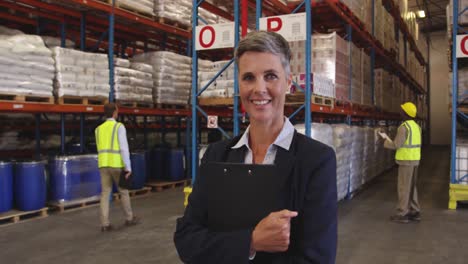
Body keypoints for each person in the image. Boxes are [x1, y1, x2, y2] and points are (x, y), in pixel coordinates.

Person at [174, 31, 337, 263]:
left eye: (270, 76)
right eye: (249, 77)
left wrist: (224, 247)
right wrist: (251, 242)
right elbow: (187, 239)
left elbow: (317, 258)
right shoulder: (216, 155)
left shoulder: (315, 161)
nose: (259, 88)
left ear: (288, 83)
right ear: (239, 84)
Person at [95, 103, 139, 232]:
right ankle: (129, 218)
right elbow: (124, 148)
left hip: (103, 164)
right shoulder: (119, 127)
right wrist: (128, 167)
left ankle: (104, 224)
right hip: (116, 165)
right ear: (115, 112)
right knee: (123, 191)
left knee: (105, 193)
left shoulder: (98, 129)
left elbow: (99, 147)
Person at [383, 102, 422, 223]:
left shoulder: (404, 127)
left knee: (403, 187)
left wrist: (385, 140)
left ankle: (402, 213)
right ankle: (415, 211)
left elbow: (396, 145)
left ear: (406, 113)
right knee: (411, 186)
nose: (401, 113)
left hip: (406, 161)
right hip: (415, 160)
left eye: (403, 111)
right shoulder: (416, 126)